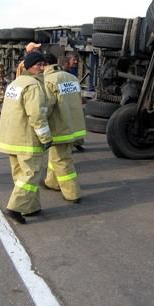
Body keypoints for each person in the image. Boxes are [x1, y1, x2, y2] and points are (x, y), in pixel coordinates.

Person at [0, 52, 53, 224]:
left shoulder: (15, 84)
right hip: (26, 138)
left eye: (44, 64)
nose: (43, 68)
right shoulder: (33, 86)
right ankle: (14, 207)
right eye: (39, 65)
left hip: (10, 137)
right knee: (30, 174)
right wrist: (45, 138)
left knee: (20, 174)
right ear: (29, 66)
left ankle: (30, 207)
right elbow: (37, 115)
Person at [42, 53, 86, 203]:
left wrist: (39, 124)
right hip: (73, 125)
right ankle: (51, 182)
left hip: (59, 127)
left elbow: (47, 107)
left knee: (62, 160)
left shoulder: (48, 81)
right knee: (56, 155)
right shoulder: (72, 78)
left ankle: (72, 193)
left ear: (44, 65)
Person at [60, 54, 85, 152]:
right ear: (67, 61)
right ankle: (69, 144)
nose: (76, 62)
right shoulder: (62, 74)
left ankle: (77, 143)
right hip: (66, 103)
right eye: (74, 60)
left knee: (76, 125)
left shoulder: (72, 73)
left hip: (73, 103)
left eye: (76, 60)